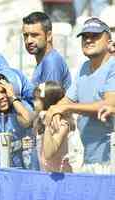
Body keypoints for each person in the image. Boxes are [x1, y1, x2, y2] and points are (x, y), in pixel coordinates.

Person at [45, 17, 115, 172]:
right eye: (85, 36)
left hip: (109, 159)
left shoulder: (113, 66)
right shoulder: (84, 68)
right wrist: (56, 111)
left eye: (95, 36)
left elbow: (109, 104)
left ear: (109, 42)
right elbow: (66, 101)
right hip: (87, 158)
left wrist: (66, 108)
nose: (89, 40)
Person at [22, 11, 71, 90]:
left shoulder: (51, 62)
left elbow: (49, 101)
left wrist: (14, 99)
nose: (29, 41)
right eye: (26, 35)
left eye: (34, 35)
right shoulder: (44, 62)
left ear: (48, 36)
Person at [32, 81, 74, 172]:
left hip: (61, 177)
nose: (33, 102)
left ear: (47, 102)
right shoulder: (39, 121)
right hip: (46, 175)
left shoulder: (62, 124)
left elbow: (48, 153)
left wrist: (47, 124)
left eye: (36, 99)